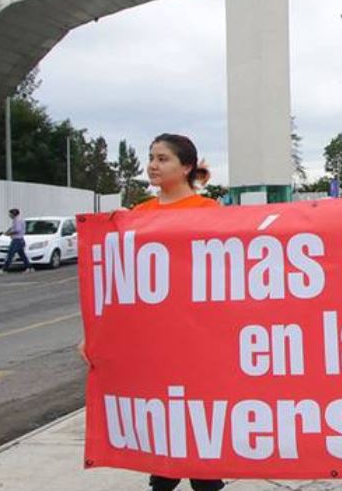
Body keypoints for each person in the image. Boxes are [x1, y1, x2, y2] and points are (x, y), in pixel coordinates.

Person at [78, 134, 223, 491]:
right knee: (163, 425)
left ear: (186, 167)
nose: (153, 166)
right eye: (152, 158)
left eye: (163, 159)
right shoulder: (137, 216)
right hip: (155, 345)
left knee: (198, 421)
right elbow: (115, 287)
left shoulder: (212, 214)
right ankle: (166, 475)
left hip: (198, 340)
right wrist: (91, 337)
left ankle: (203, 478)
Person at [0, 208, 34, 274]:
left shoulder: (17, 220)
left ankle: (4, 269)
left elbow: (17, 230)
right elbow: (13, 229)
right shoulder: (17, 220)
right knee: (22, 255)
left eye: (10, 214)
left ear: (14, 214)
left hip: (17, 241)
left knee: (10, 254)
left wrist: (8, 234)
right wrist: (5, 233)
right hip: (19, 240)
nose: (9, 215)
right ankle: (29, 268)